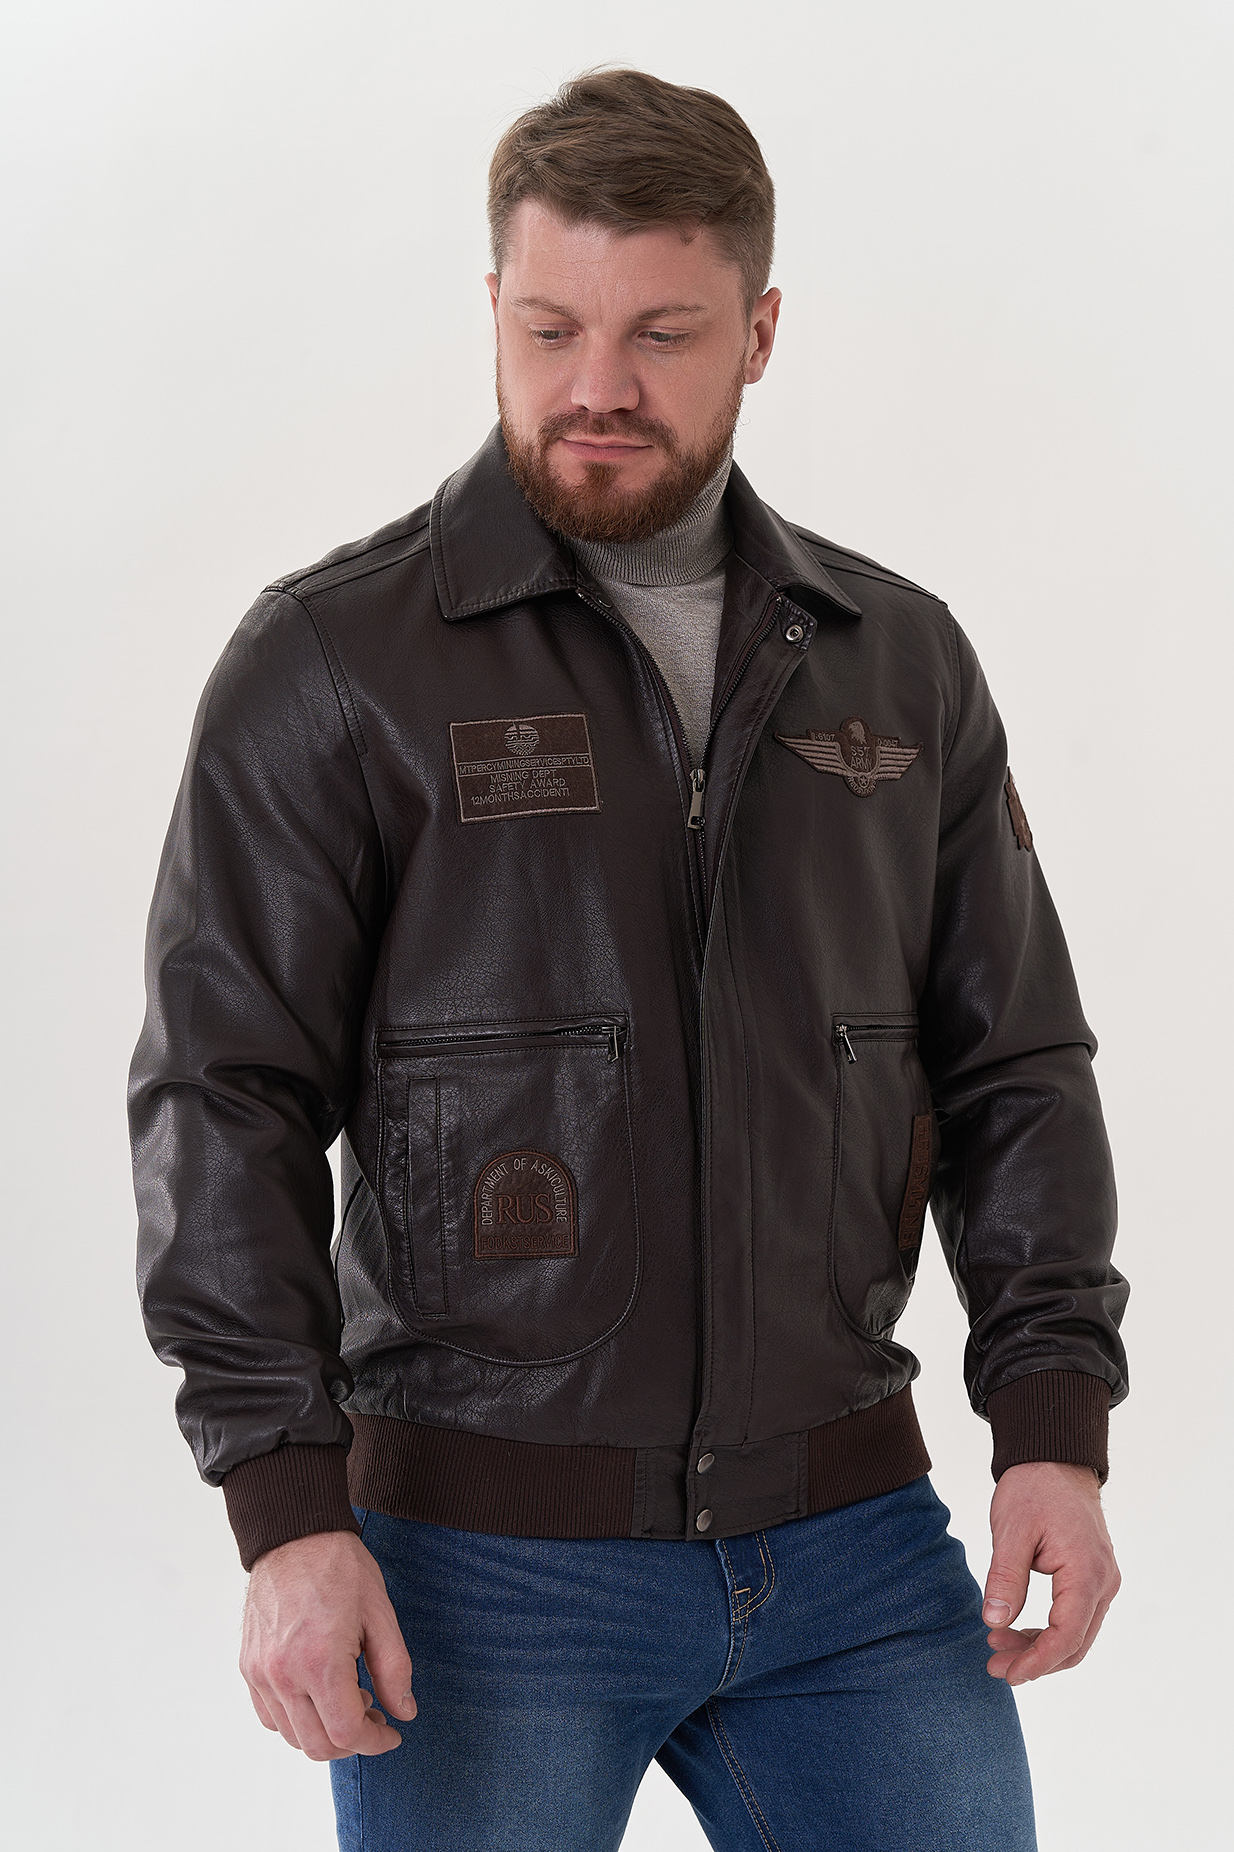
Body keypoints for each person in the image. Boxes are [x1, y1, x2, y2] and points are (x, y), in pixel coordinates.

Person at [129, 67, 1129, 1852]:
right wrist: (286, 1511)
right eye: (549, 330)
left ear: (759, 333)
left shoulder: (896, 661)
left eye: (660, 334)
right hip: (476, 1568)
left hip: (853, 1548)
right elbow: (224, 1101)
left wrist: (1051, 1421)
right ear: (491, 313)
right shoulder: (335, 663)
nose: (595, 384)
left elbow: (1013, 1066)